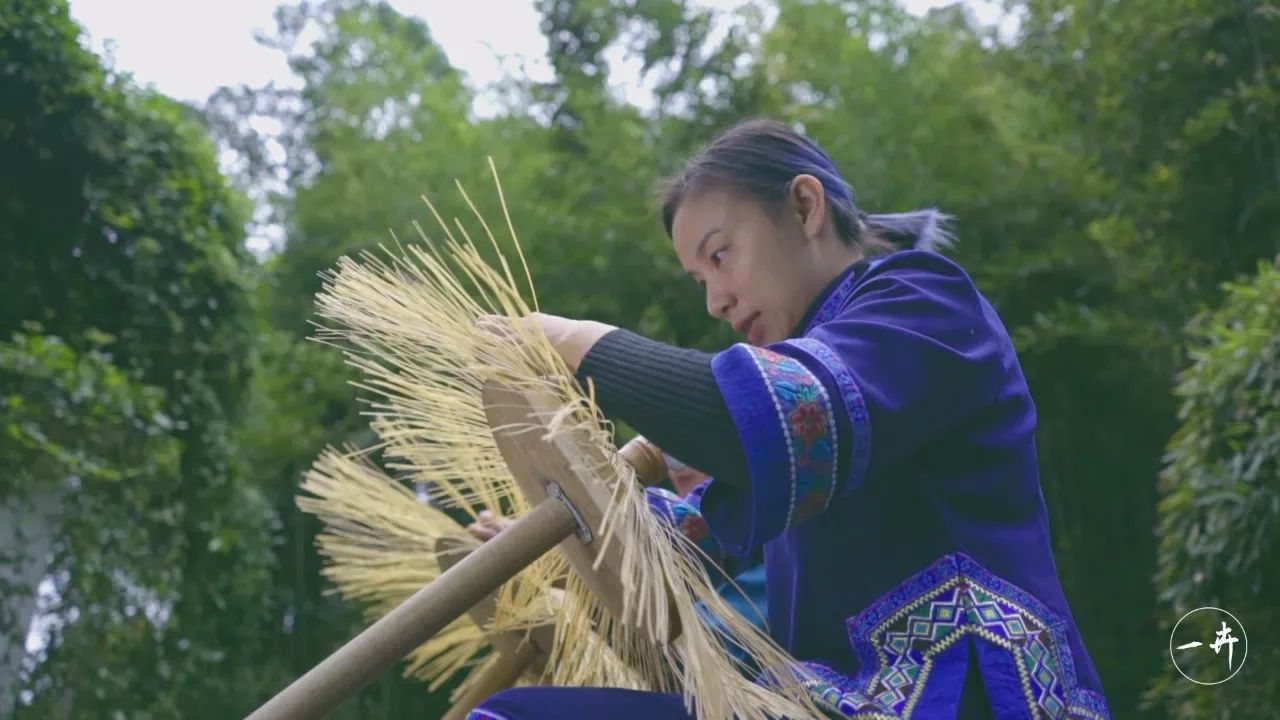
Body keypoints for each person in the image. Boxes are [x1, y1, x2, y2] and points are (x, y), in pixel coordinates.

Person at [466, 118, 1110, 719]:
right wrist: (550, 540)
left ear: (805, 207)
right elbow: (691, 540)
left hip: (964, 693)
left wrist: (573, 339)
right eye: (699, 280)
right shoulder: (800, 410)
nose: (716, 300)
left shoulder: (922, 303)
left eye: (720, 256)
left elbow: (760, 427)